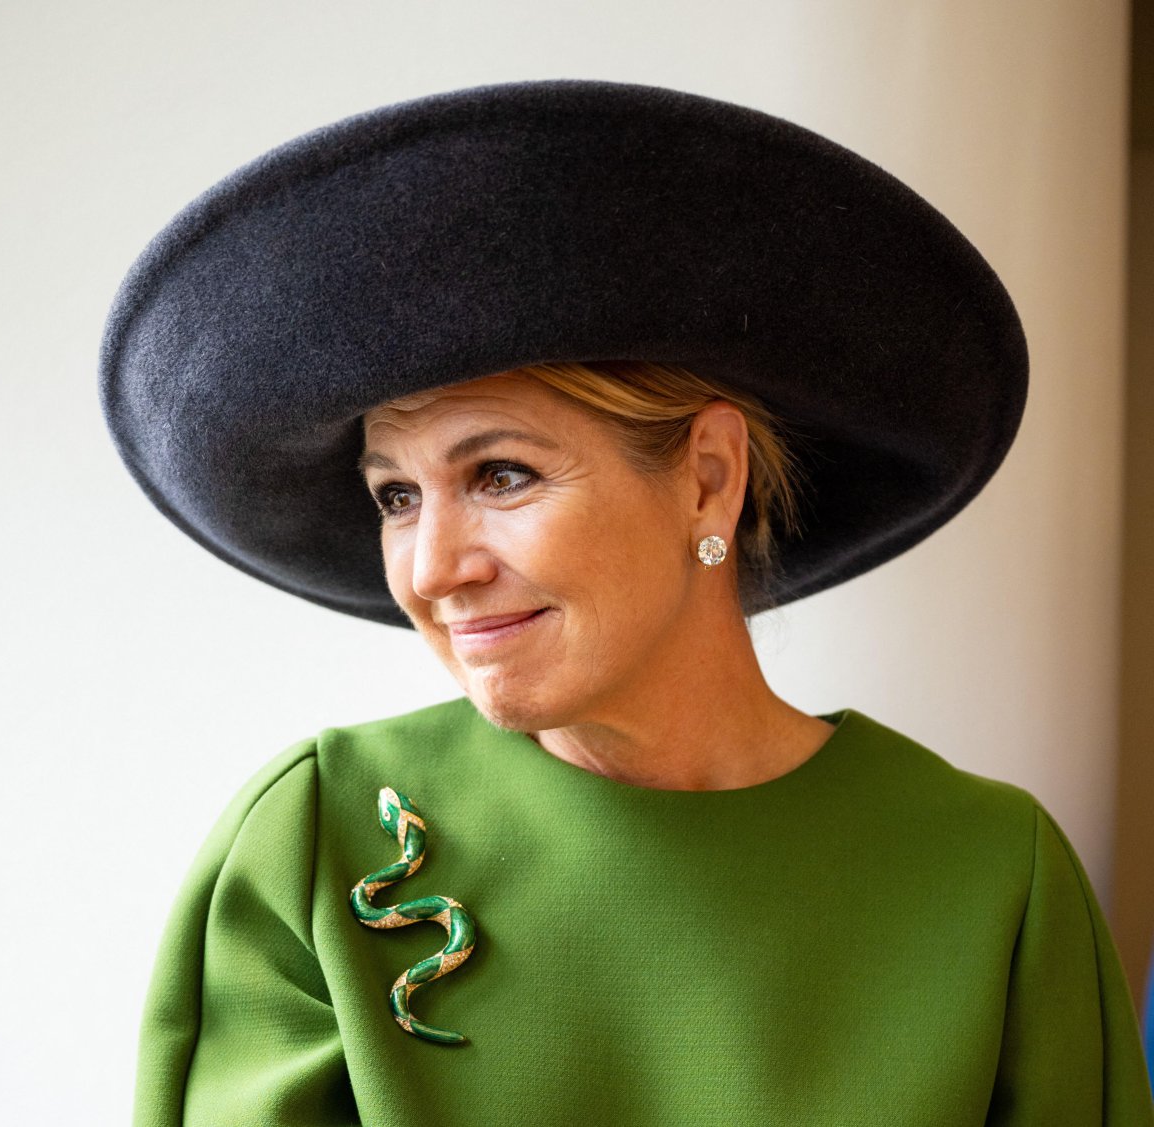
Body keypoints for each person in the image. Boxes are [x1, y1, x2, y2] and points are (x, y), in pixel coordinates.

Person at [100, 79, 1154, 1125]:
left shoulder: (991, 878)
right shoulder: (319, 841)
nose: (431, 569)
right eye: (397, 496)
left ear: (708, 478)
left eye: (501, 473)